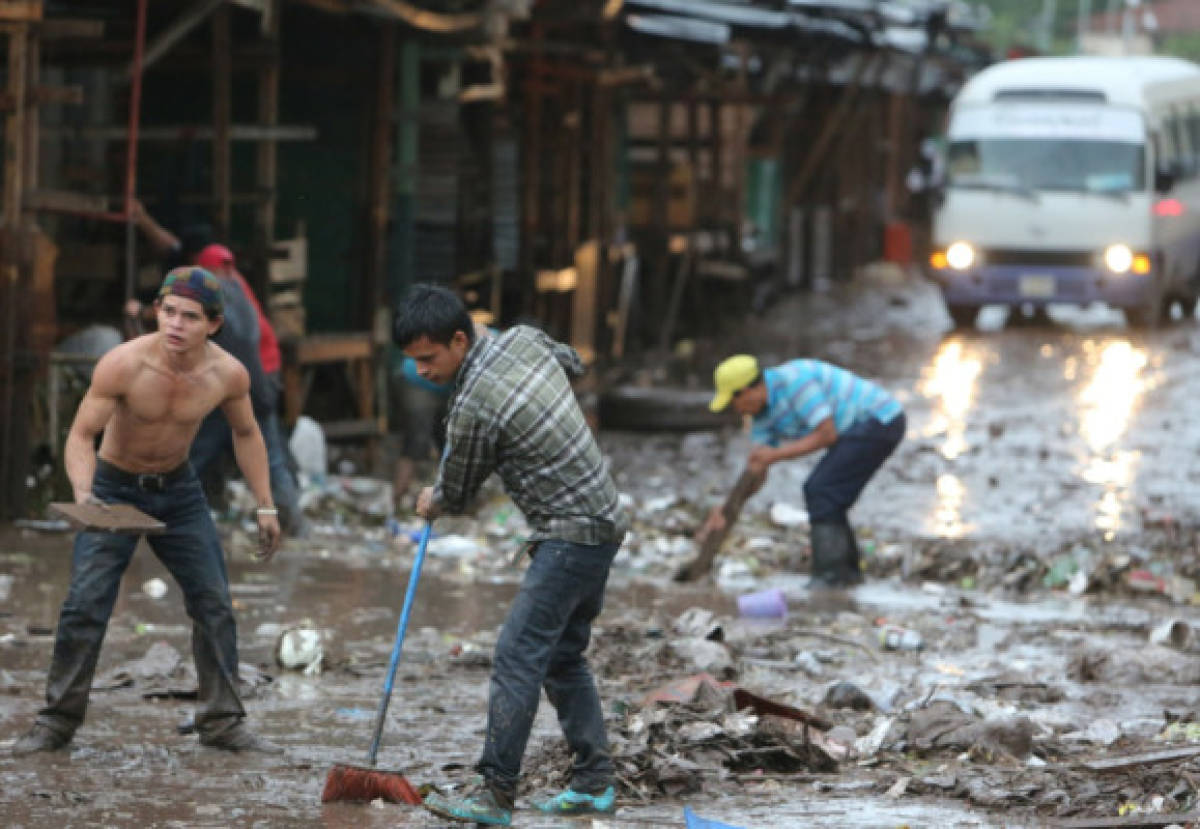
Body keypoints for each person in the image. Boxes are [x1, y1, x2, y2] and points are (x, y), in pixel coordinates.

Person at [10, 267, 283, 756]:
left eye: (190, 316)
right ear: (157, 310)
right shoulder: (123, 364)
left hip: (179, 491)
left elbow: (247, 434)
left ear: (213, 324)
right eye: (168, 311)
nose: (176, 324)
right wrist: (84, 491)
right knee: (85, 604)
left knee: (214, 602)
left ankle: (222, 722)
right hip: (114, 486)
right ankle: (55, 723)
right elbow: (80, 435)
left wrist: (266, 504)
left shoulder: (228, 373)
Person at [394, 285, 626, 826]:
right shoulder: (521, 339)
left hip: (570, 533)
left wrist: (433, 500)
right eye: (412, 361)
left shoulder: (473, 406)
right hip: (605, 521)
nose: (422, 371)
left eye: (429, 359)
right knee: (563, 657)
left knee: (517, 656)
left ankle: (495, 792)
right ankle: (594, 783)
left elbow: (459, 492)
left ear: (459, 339)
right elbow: (572, 362)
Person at [705, 354, 905, 588]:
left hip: (879, 419)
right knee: (828, 493)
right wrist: (728, 508)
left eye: (733, 401)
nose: (736, 409)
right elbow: (758, 466)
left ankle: (831, 577)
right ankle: (847, 574)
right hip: (850, 431)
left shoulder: (795, 382)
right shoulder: (760, 415)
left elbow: (826, 433)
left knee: (821, 489)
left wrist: (774, 455)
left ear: (748, 390)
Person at [192, 244, 307, 538]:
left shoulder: (219, 295)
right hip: (257, 382)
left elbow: (237, 345)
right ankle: (291, 523)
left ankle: (169, 515)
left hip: (242, 384)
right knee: (269, 455)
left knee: (197, 451)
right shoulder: (238, 290)